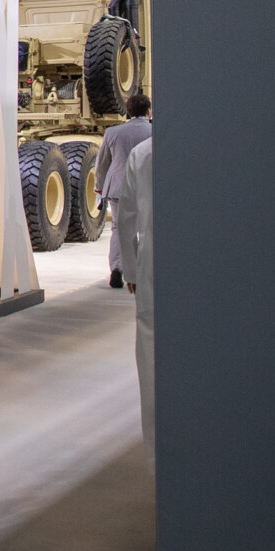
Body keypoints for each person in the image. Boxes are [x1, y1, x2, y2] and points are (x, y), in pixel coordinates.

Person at [113, 131, 154, 460]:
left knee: (151, 351)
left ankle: (156, 455)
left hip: (152, 265)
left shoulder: (143, 154)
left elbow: (126, 218)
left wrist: (131, 270)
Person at [95, 92, 153, 287]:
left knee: (119, 229)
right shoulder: (154, 132)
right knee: (146, 229)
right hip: (146, 186)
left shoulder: (113, 132)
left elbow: (103, 162)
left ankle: (117, 269)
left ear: (128, 112)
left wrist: (99, 186)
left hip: (118, 188)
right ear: (148, 111)